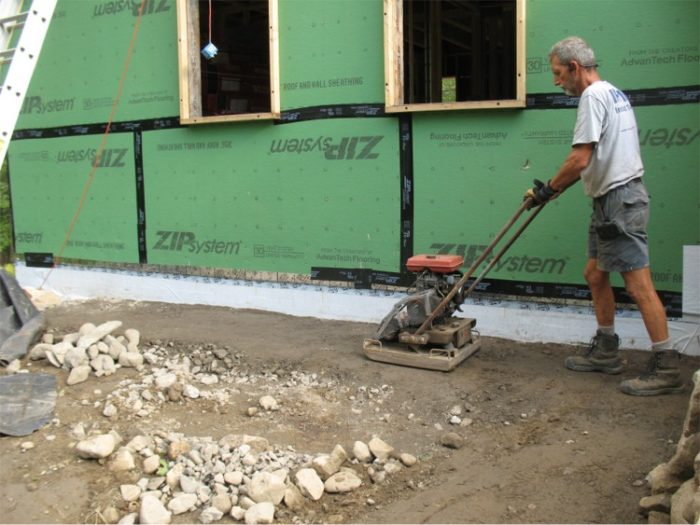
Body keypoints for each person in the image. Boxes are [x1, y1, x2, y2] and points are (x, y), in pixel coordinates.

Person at [524, 36, 684, 396]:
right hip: (611, 199)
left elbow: (580, 158)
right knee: (595, 274)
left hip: (619, 200)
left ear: (575, 68)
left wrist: (548, 189)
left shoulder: (592, 97)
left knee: (638, 285)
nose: (556, 81)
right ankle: (607, 350)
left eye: (557, 73)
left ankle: (667, 364)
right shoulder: (613, 92)